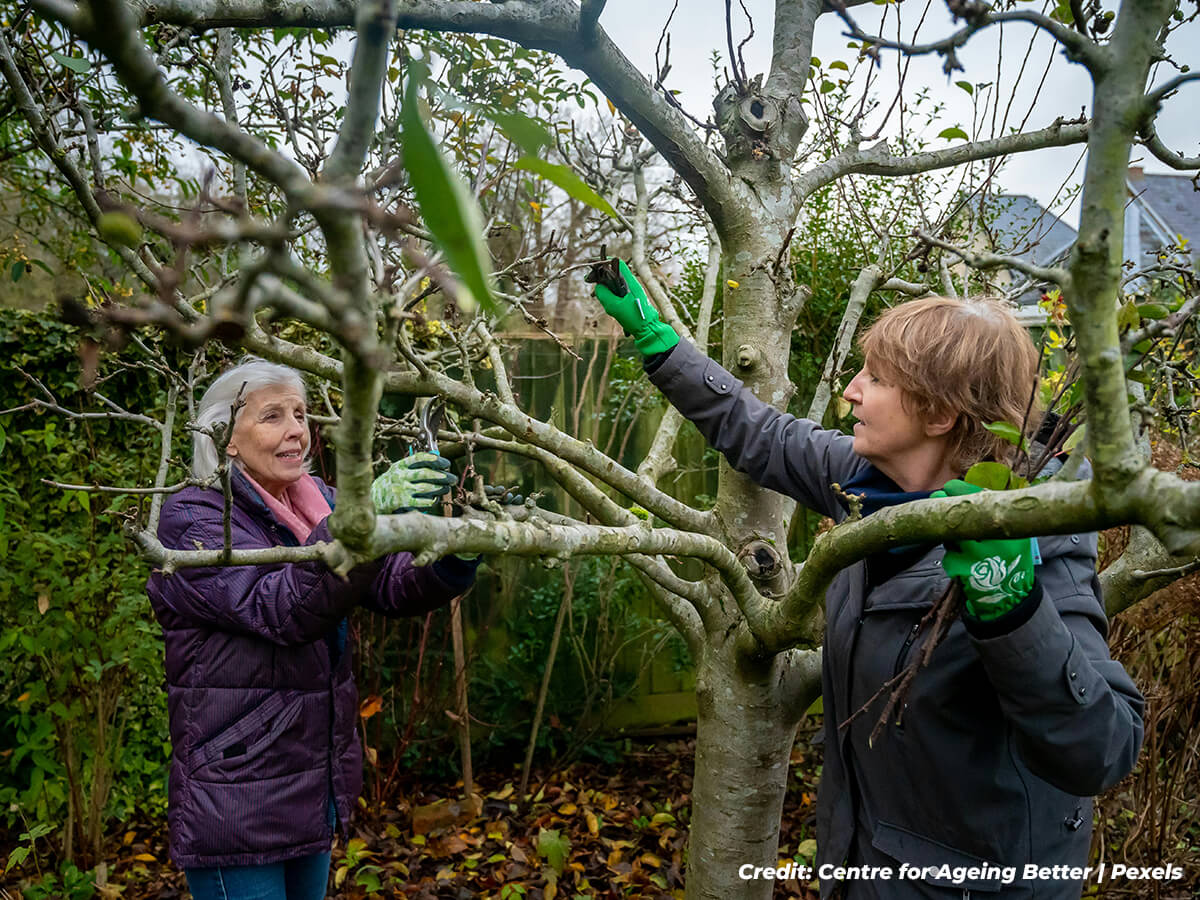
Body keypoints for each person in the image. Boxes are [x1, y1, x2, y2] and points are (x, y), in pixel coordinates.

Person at [592, 261, 1144, 899]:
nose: (850, 392)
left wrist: (1012, 608)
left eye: (876, 378)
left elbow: (1101, 750)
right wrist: (661, 345)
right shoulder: (868, 485)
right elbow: (761, 433)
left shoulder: (1038, 537)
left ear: (938, 413)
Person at [146, 358, 479, 900]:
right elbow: (280, 608)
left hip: (309, 780)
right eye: (272, 416)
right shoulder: (195, 520)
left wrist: (454, 554)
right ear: (225, 436)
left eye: (299, 414)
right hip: (238, 789)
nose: (297, 429)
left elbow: (389, 585)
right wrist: (358, 512)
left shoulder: (315, 500)